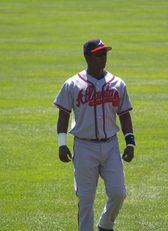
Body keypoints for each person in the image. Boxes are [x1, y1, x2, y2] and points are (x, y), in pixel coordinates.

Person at [54, 39, 135, 231]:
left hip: (110, 146)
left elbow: (124, 115)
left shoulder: (118, 83)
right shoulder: (72, 84)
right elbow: (63, 115)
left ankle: (106, 225)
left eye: (104, 54)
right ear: (87, 57)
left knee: (118, 193)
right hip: (84, 147)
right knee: (86, 199)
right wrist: (61, 143)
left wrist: (130, 142)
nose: (102, 58)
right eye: (98, 54)